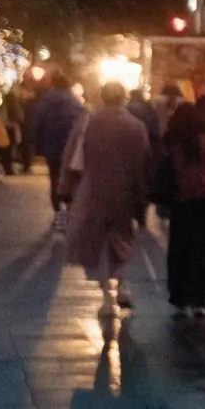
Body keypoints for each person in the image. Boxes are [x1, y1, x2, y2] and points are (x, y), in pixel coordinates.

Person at [61, 82, 155, 315]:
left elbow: (73, 157)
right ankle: (122, 283)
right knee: (121, 238)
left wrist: (65, 187)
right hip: (124, 191)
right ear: (123, 98)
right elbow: (144, 160)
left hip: (93, 189)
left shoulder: (87, 121)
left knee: (98, 241)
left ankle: (106, 297)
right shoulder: (136, 126)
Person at [157, 94, 205, 319]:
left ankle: (180, 299)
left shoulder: (172, 143)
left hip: (182, 201)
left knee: (180, 250)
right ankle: (201, 301)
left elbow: (165, 172)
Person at [24, 74, 85, 208]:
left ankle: (57, 209)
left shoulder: (45, 100)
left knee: (54, 176)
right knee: (70, 177)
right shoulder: (75, 102)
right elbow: (82, 124)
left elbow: (37, 122)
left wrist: (37, 146)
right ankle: (69, 205)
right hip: (70, 146)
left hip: (51, 144)